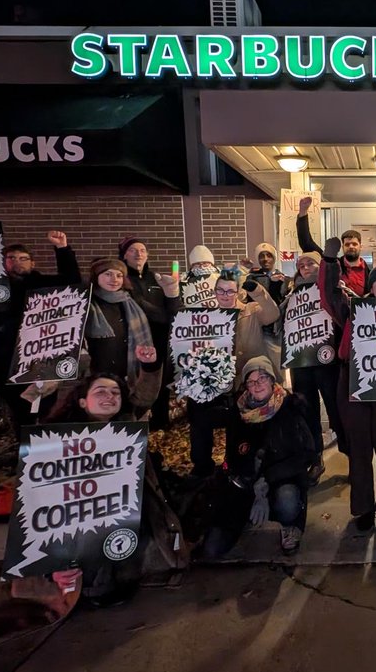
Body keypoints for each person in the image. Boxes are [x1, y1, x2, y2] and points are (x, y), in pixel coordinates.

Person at [44, 368, 189, 606]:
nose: (109, 396)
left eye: (115, 393)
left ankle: (115, 581)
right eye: (100, 392)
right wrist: (52, 567)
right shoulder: (56, 443)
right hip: (74, 534)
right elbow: (42, 509)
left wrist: (149, 364)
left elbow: (144, 395)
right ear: (82, 401)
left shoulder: (125, 433)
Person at [193, 357, 318, 558]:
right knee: (211, 550)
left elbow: (304, 456)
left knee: (287, 502)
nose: (257, 384)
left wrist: (264, 484)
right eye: (251, 381)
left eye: (262, 378)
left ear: (271, 380)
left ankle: (290, 525)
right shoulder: (238, 410)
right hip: (245, 481)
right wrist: (202, 389)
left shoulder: (290, 407)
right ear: (246, 386)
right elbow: (204, 420)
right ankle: (238, 519)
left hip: (281, 481)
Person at [319, 243, 376, 532]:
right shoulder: (353, 309)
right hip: (355, 386)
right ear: (371, 286)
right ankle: (364, 509)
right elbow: (330, 298)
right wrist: (329, 262)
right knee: (359, 451)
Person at [0, 231, 80, 432]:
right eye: (11, 258)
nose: (17, 262)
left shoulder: (45, 285)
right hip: (6, 363)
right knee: (19, 414)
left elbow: (72, 280)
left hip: (41, 362)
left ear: (32, 263)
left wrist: (62, 248)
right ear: (3, 263)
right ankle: (23, 453)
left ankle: (43, 451)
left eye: (23, 258)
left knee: (44, 410)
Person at [185, 267, 280, 477]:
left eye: (230, 291)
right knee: (198, 412)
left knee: (239, 422)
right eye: (220, 291)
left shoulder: (251, 310)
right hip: (216, 380)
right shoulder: (207, 316)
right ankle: (201, 466)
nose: (225, 295)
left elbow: (272, 313)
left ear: (238, 292)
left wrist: (257, 290)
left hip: (245, 380)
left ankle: (236, 464)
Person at [280, 249, 344, 479]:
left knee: (337, 410)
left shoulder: (332, 289)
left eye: (311, 263)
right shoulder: (290, 295)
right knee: (307, 413)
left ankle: (350, 454)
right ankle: (314, 458)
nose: (305, 267)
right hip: (301, 364)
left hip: (327, 362)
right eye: (301, 264)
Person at [85, 258, 177, 415]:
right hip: (99, 379)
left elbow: (167, 317)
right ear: (96, 276)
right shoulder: (87, 305)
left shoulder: (132, 301)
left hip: (130, 378)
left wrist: (171, 293)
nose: (114, 279)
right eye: (108, 274)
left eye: (119, 275)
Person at [117, 236, 182, 427]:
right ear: (124, 255)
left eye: (142, 250)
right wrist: (163, 315)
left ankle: (160, 422)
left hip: (159, 338)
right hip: (134, 339)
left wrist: (172, 293)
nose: (138, 254)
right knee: (136, 381)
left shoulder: (156, 279)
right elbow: (140, 305)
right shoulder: (122, 280)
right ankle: (134, 422)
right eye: (133, 250)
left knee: (159, 381)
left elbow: (174, 310)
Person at [297, 194, 370, 295]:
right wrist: (303, 212)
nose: (351, 247)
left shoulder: (369, 273)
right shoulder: (331, 264)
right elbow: (306, 243)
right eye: (347, 244)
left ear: (360, 246)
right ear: (342, 247)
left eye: (354, 244)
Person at [244, 241, 288, 376]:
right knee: (256, 365)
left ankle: (280, 393)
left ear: (274, 257)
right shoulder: (252, 277)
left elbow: (281, 302)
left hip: (276, 329)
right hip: (257, 327)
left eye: (268, 255)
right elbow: (251, 300)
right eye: (262, 256)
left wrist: (276, 284)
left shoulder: (283, 277)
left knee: (277, 365)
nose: (265, 259)